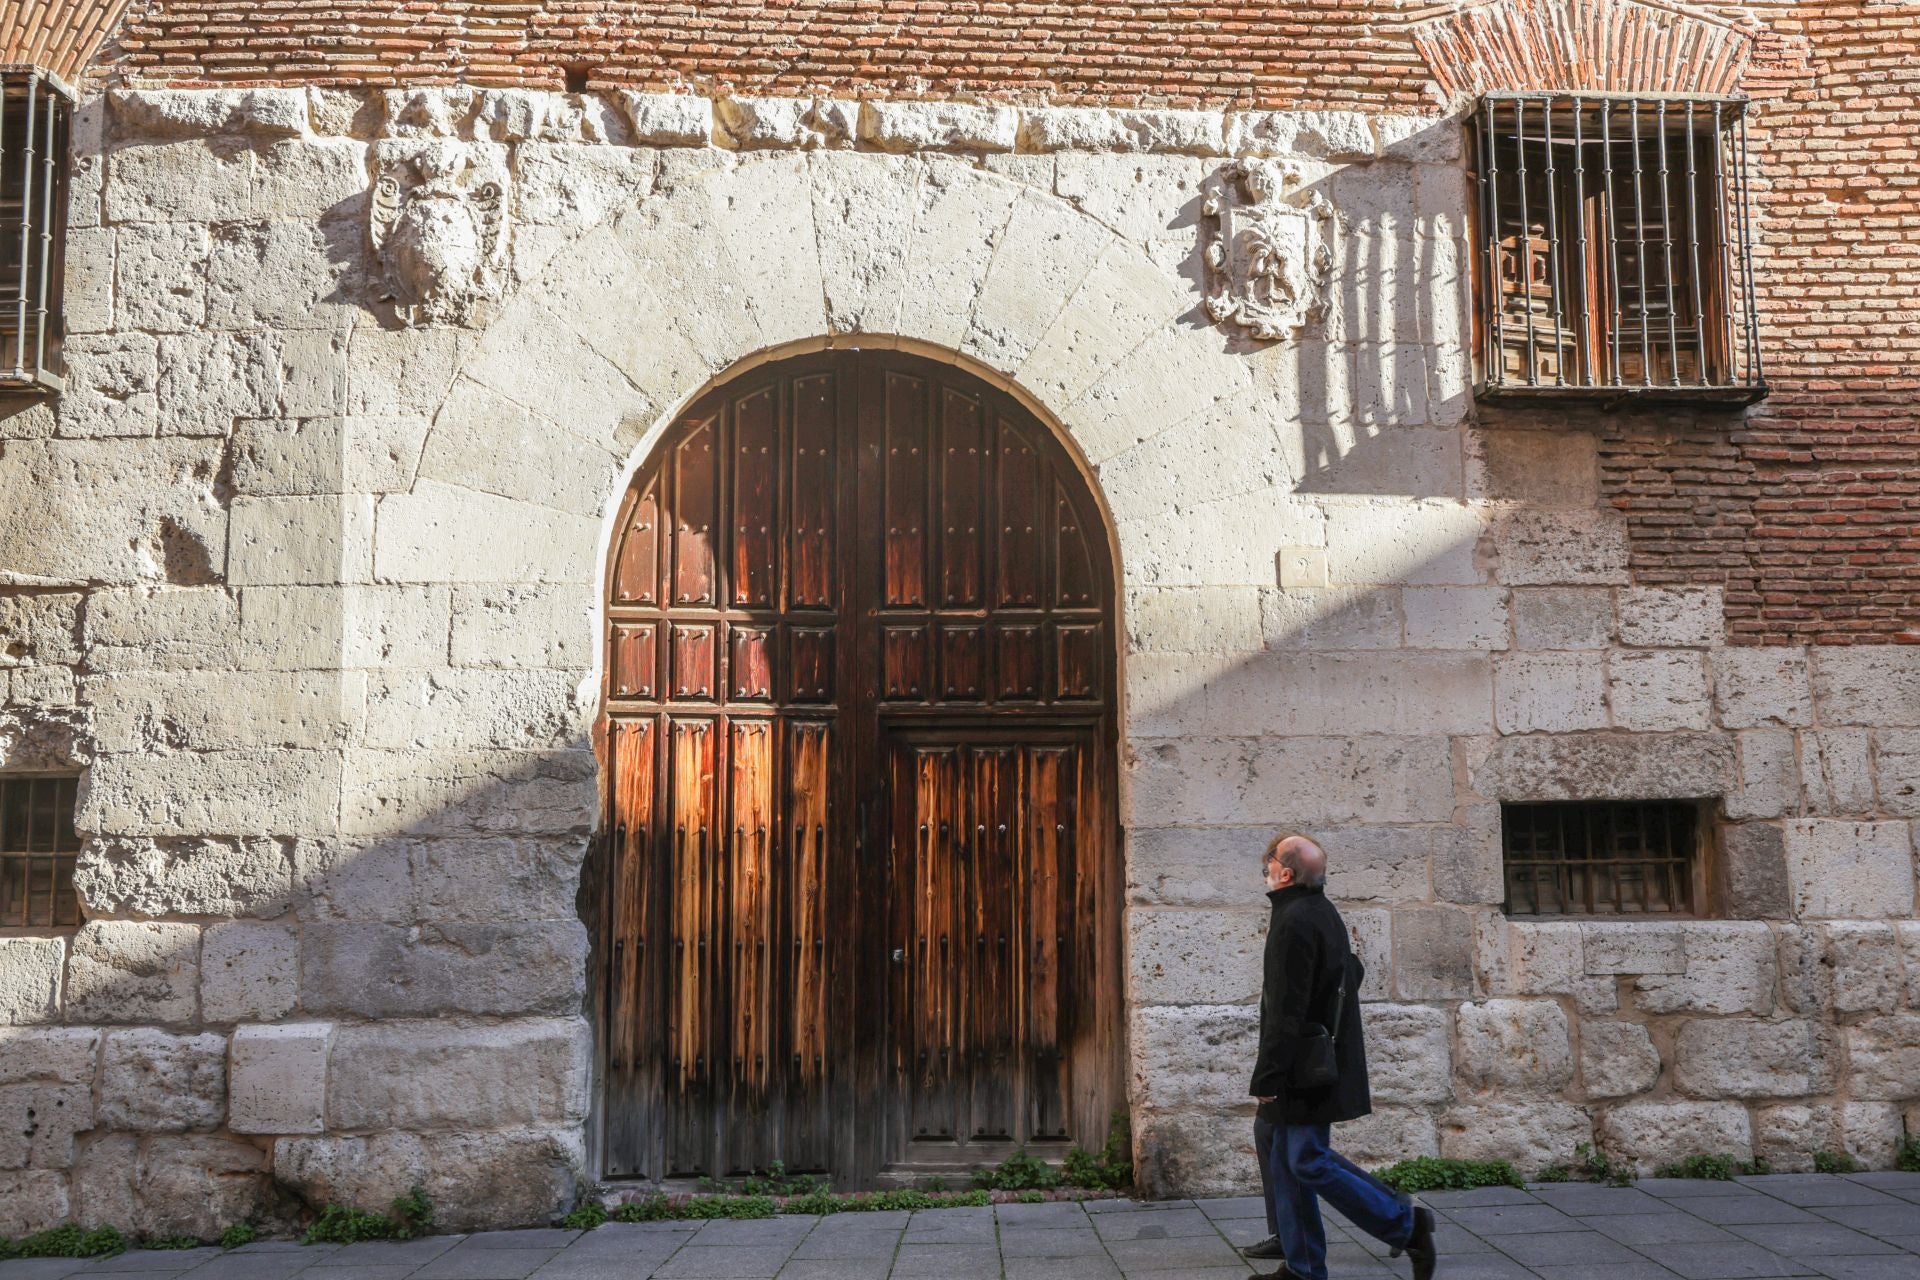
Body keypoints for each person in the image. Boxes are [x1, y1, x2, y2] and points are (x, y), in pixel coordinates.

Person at [1243, 832, 1437, 1280]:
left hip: (1304, 1066)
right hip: (1314, 1058)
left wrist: (1268, 1078)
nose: (1266, 866)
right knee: (1281, 1155)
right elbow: (1351, 970)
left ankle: (1406, 1223)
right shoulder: (1321, 911)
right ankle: (1304, 1267)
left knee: (1306, 1159)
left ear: (1285, 872)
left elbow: (1285, 1011)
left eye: (1270, 860)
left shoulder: (1292, 922)